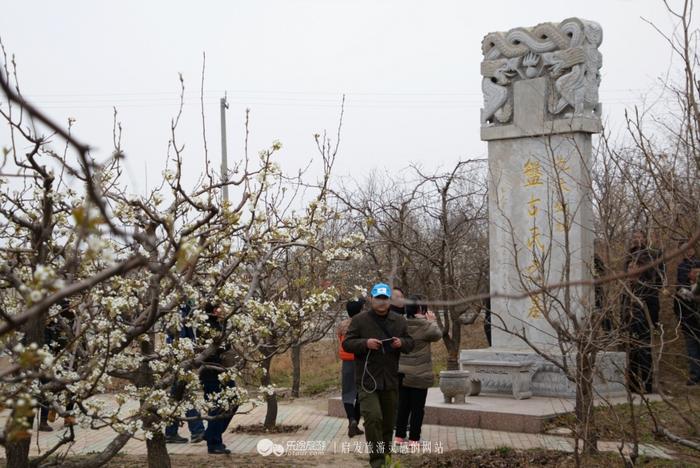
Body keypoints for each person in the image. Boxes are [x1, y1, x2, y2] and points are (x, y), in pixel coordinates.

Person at [343, 283, 414, 468]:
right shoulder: (360, 320)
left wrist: (401, 343)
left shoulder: (399, 321)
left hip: (390, 379)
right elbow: (347, 344)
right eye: (378, 298)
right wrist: (365, 343)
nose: (381, 302)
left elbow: (410, 343)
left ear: (389, 301)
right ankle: (377, 461)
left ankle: (386, 457)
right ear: (371, 299)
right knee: (373, 418)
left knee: (388, 423)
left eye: (385, 299)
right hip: (367, 380)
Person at [622, 230, 666, 394]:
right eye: (629, 267)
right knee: (632, 353)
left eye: (634, 266)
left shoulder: (647, 287)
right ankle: (633, 385)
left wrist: (652, 322)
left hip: (644, 321)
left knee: (645, 352)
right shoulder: (627, 287)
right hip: (630, 323)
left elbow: (654, 303)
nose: (631, 268)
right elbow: (623, 305)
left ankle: (647, 385)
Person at [395, 295, 442, 447]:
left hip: (402, 373)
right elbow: (438, 335)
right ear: (421, 308)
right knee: (417, 409)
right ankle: (414, 439)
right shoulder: (426, 325)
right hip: (420, 374)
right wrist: (432, 320)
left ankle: (399, 437)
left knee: (403, 406)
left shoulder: (400, 324)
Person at [199, 303, 239, 455]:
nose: (223, 310)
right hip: (210, 372)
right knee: (216, 407)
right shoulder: (206, 326)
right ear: (214, 310)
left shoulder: (220, 325)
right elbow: (209, 352)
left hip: (223, 372)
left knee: (234, 400)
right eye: (219, 308)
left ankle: (210, 433)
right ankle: (214, 443)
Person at [164, 300, 206, 444]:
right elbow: (179, 336)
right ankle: (197, 430)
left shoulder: (182, 308)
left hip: (179, 356)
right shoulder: (179, 310)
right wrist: (187, 354)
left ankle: (171, 432)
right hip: (180, 358)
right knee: (184, 393)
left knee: (178, 394)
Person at [337, 298, 366, 437]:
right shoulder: (363, 324)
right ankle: (355, 422)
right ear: (360, 310)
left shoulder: (342, 325)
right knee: (361, 393)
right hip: (361, 361)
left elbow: (341, 341)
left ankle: (352, 420)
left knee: (347, 393)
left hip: (347, 362)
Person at [674, 241, 700, 385]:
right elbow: (678, 287)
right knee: (691, 347)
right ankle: (695, 375)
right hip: (686, 315)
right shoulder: (680, 267)